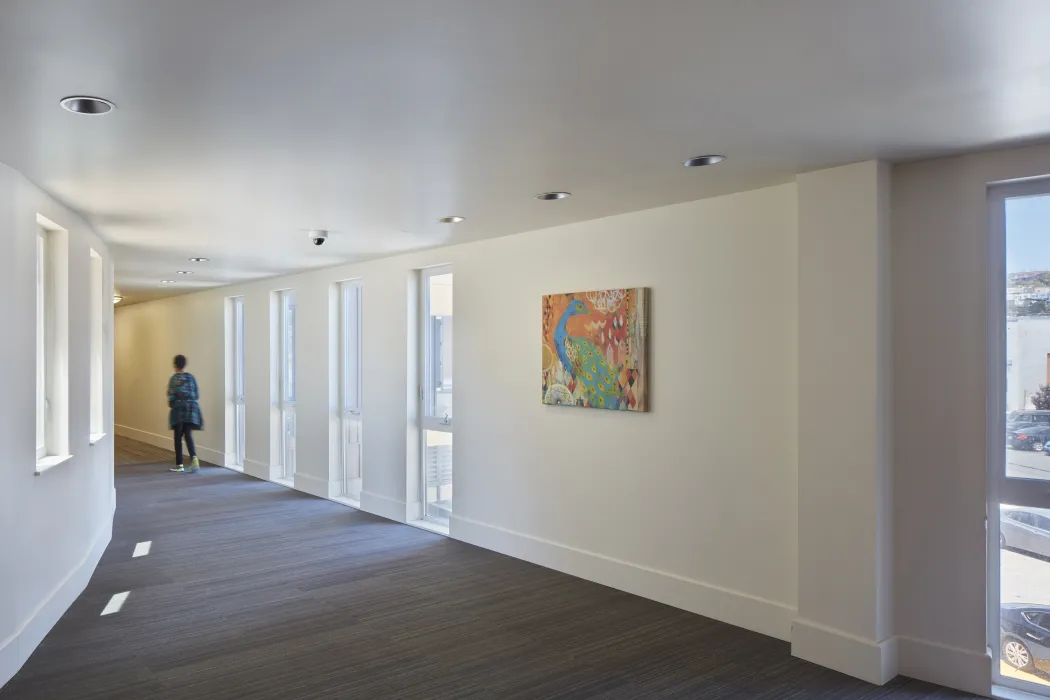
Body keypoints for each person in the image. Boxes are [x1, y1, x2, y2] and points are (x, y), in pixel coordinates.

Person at [168, 355, 203, 473]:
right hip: (192, 410)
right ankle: (194, 460)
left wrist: (173, 404)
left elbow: (171, 396)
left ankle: (180, 464)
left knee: (178, 436)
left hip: (179, 410)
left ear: (175, 365)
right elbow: (197, 395)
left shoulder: (174, 379)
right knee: (188, 434)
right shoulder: (191, 377)